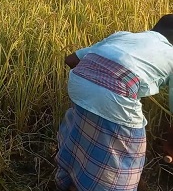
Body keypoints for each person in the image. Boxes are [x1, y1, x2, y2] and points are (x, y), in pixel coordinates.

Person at [55, 14, 173, 191]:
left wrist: (100, 81)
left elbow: (71, 60)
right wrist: (170, 147)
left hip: (79, 82)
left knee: (88, 139)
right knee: (126, 156)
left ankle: (74, 181)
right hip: (115, 96)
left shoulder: (124, 36)